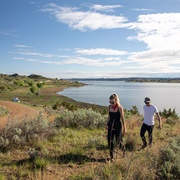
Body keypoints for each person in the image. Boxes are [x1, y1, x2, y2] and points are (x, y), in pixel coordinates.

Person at [106, 93, 127, 160]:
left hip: (118, 125)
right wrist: (106, 125)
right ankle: (111, 156)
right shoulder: (109, 107)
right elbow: (109, 117)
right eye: (110, 102)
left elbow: (122, 118)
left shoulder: (120, 107)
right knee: (110, 141)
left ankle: (124, 152)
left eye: (112, 102)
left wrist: (124, 128)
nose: (111, 103)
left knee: (119, 140)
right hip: (110, 125)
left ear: (116, 100)